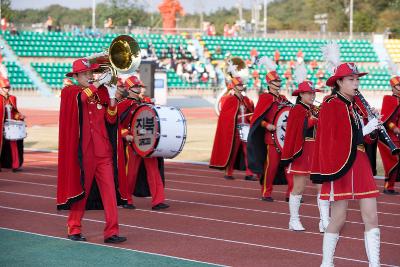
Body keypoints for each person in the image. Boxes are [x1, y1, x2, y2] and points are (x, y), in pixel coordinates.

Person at [311, 62, 380, 267]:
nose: (356, 83)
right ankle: (327, 262)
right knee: (339, 217)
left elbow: (362, 140)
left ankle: (374, 264)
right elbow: (332, 137)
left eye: (357, 79)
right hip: (340, 163)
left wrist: (373, 126)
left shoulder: (353, 105)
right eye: (351, 79)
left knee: (372, 215)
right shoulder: (332, 103)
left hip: (360, 163)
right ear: (339, 82)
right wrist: (365, 130)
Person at [57, 58, 127, 243]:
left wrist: (112, 98)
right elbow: (81, 98)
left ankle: (111, 232)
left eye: (91, 73)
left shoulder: (100, 92)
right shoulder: (69, 92)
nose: (90, 76)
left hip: (103, 151)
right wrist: (98, 83)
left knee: (110, 194)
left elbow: (111, 119)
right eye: (86, 74)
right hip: (84, 154)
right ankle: (74, 228)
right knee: (81, 193)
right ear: (77, 76)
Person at [281, 81, 329, 232]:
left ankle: (324, 221)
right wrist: (315, 119)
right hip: (302, 151)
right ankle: (293, 220)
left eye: (313, 93)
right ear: (301, 94)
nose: (312, 95)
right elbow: (298, 128)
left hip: (316, 151)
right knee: (299, 188)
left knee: (321, 187)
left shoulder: (314, 108)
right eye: (309, 93)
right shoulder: (297, 109)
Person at [117, 75, 169, 210]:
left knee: (154, 171)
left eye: (139, 86)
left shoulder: (146, 102)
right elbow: (116, 124)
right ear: (129, 89)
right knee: (131, 174)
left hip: (148, 143)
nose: (139, 88)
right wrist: (125, 134)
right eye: (136, 86)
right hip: (133, 144)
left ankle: (158, 201)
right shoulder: (123, 104)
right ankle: (126, 199)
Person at [247, 69, 292, 201]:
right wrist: (267, 125)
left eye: (278, 80)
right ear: (269, 83)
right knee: (270, 167)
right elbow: (255, 119)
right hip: (271, 140)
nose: (278, 83)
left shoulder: (283, 98)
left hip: (284, 139)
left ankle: (291, 194)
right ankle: (266, 192)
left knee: (289, 168)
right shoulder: (265, 98)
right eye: (275, 81)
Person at [210, 77, 256, 181]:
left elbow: (251, 112)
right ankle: (229, 172)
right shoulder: (229, 100)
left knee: (248, 151)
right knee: (232, 152)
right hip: (235, 131)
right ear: (234, 87)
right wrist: (234, 117)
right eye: (239, 85)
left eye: (241, 85)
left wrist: (251, 117)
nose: (241, 87)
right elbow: (225, 116)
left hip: (246, 130)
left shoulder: (247, 100)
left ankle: (249, 173)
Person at [378, 75, 400, 195]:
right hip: (387, 136)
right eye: (398, 85)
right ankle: (388, 187)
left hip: (397, 135)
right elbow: (386, 120)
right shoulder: (388, 99)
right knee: (394, 160)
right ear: (393, 87)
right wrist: (395, 128)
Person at [0, 77, 25, 172]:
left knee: (14, 145)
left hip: (10, 126)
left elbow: (15, 112)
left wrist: (19, 116)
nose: (7, 89)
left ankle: (15, 165)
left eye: (8, 87)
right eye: (5, 87)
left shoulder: (13, 98)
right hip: (1, 125)